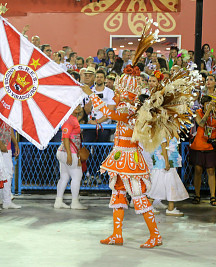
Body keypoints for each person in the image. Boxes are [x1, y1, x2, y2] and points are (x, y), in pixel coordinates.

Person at [81, 28, 163, 247]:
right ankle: (117, 234)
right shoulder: (125, 105)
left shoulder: (128, 108)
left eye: (118, 90)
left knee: (138, 196)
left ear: (126, 91)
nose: (114, 91)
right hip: (120, 155)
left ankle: (155, 235)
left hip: (130, 158)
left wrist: (90, 94)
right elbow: (109, 110)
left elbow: (110, 113)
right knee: (118, 194)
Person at [54, 105, 87, 210]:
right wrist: (69, 154)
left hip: (64, 152)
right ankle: (75, 202)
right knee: (77, 176)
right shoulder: (69, 120)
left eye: (79, 105)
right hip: (70, 153)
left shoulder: (71, 119)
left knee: (64, 177)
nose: (78, 107)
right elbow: (65, 137)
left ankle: (58, 201)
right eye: (75, 105)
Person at [147, 137, 189, 216]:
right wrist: (166, 162)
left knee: (170, 184)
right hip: (163, 163)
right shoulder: (163, 129)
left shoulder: (168, 129)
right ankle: (149, 206)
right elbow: (163, 145)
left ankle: (170, 207)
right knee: (159, 184)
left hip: (167, 162)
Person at [190, 96, 216, 206]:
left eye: (212, 104)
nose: (210, 105)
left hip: (211, 145)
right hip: (199, 145)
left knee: (211, 171)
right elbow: (201, 123)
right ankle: (197, 195)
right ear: (203, 104)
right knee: (198, 170)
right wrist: (208, 112)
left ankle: (213, 196)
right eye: (208, 104)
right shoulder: (198, 112)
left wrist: (213, 112)